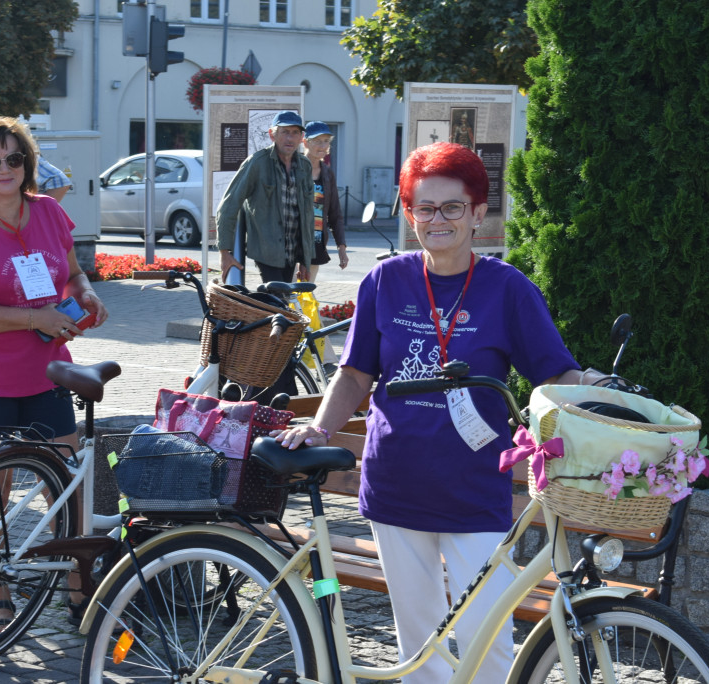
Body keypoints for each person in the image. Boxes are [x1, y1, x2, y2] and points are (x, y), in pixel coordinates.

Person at [273, 142, 612, 683]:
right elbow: (357, 373)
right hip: (396, 488)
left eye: (452, 207)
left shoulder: (508, 290)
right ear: (409, 214)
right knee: (421, 649)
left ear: (478, 213)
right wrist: (320, 426)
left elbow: (556, 373)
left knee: (489, 645)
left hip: (475, 492)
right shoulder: (385, 281)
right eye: (424, 207)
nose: (438, 220)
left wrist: (598, 386)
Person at [0, 113, 108, 634]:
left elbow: (71, 273)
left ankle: (79, 586)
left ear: (27, 163)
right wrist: (34, 317)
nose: (4, 168)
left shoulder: (49, 211)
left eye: (14, 158)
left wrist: (87, 295)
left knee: (66, 483)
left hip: (47, 367)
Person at [216, 110, 315, 283]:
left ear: (301, 137)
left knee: (279, 302)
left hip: (291, 252)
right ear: (272, 135)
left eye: (295, 133)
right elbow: (228, 205)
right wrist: (225, 253)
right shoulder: (257, 163)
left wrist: (305, 259)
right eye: (284, 132)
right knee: (276, 300)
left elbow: (307, 216)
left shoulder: (304, 166)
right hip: (266, 250)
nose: (290, 139)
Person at [301, 121, 348, 282]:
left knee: (306, 293)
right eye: (317, 141)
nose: (322, 146)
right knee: (290, 293)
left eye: (326, 141)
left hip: (317, 243)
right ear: (305, 142)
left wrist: (341, 247)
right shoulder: (293, 168)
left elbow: (335, 214)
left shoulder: (328, 173)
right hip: (294, 245)